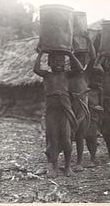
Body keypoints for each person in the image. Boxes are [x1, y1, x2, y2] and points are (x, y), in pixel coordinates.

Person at [33, 49, 83, 178]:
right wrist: (41, 53)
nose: (58, 63)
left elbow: (79, 68)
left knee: (67, 140)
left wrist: (71, 54)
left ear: (65, 63)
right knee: (53, 140)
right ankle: (54, 168)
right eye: (54, 61)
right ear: (49, 63)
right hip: (52, 113)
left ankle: (67, 167)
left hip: (64, 111)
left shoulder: (67, 75)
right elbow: (36, 69)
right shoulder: (47, 75)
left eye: (61, 61)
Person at [68, 32, 96, 171]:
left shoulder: (85, 74)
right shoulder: (66, 75)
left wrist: (89, 41)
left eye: (78, 60)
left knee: (80, 135)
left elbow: (93, 58)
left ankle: (79, 162)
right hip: (68, 107)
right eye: (73, 61)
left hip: (82, 109)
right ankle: (66, 161)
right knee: (66, 134)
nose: (75, 63)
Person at [85, 63, 104, 167]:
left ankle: (93, 158)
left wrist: (98, 110)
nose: (98, 83)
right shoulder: (85, 89)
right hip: (84, 115)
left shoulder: (99, 90)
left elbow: (101, 105)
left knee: (91, 137)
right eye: (95, 80)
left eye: (100, 81)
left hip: (94, 116)